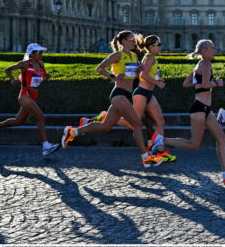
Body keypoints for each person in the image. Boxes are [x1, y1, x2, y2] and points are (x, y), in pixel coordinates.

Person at [61, 31, 164, 168]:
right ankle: (146, 158)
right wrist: (113, 77)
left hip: (127, 94)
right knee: (137, 125)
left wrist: (139, 71)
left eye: (134, 39)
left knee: (106, 126)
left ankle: (72, 131)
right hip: (118, 94)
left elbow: (134, 76)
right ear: (123, 41)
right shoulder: (117, 55)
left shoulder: (133, 56)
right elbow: (100, 68)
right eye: (131, 39)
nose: (134, 41)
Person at [149, 39, 225, 183]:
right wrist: (216, 83)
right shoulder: (205, 63)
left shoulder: (199, 65)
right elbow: (206, 84)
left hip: (205, 109)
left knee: (221, 138)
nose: (215, 50)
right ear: (204, 51)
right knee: (194, 144)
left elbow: (186, 83)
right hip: (200, 108)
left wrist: (203, 83)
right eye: (212, 48)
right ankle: (160, 140)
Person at [0, 44, 60, 156]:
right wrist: (13, 79)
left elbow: (41, 78)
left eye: (42, 52)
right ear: (32, 54)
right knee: (41, 117)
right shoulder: (24, 64)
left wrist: (46, 77)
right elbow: (7, 70)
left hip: (34, 95)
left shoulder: (41, 64)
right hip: (25, 95)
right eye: (39, 52)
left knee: (19, 121)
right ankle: (46, 146)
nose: (41, 54)